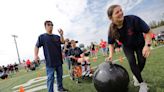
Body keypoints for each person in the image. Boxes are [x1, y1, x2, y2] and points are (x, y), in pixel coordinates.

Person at [107, 5, 152, 92]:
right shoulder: (111, 30)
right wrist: (110, 55)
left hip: (140, 44)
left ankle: (136, 75)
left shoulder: (133, 19)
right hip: (127, 47)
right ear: (111, 18)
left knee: (141, 61)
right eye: (117, 12)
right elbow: (111, 44)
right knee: (132, 62)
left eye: (121, 10)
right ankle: (142, 83)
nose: (121, 13)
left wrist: (147, 46)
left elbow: (148, 32)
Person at [34, 20, 68, 92]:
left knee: (60, 77)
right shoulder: (42, 37)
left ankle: (60, 88)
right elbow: (36, 46)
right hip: (50, 62)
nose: (51, 26)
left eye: (52, 25)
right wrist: (36, 55)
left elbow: (62, 42)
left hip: (58, 60)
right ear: (45, 27)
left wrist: (61, 34)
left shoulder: (56, 36)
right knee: (50, 79)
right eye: (49, 25)